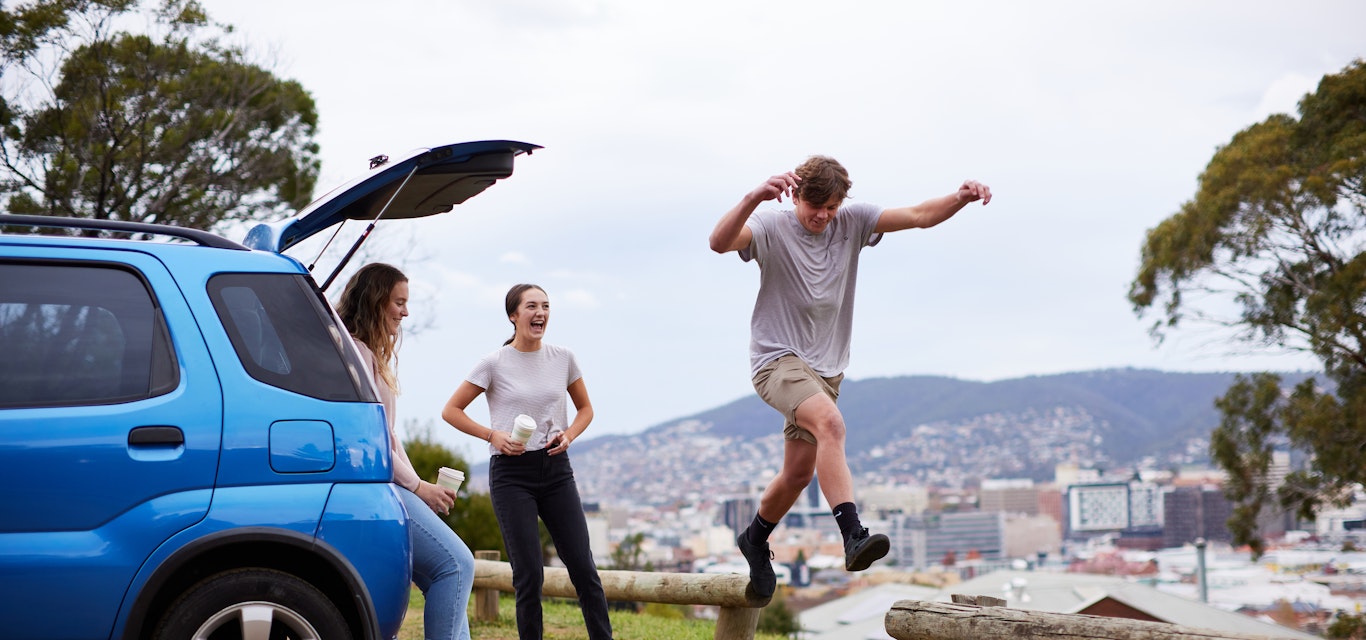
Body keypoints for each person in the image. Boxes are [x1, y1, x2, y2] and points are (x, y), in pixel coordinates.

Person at [708, 156, 991, 598]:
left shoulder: (853, 222)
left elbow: (918, 216)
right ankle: (853, 533)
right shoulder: (770, 225)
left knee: (798, 475)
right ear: (796, 196)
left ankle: (755, 539)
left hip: (826, 371)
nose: (822, 215)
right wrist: (752, 197)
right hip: (776, 361)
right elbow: (719, 243)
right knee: (831, 425)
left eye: (831, 207)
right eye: (813, 205)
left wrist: (960, 198)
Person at [441, 284, 613, 640]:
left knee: (583, 566)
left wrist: (569, 435)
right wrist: (493, 435)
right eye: (531, 306)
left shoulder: (563, 357)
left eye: (546, 306)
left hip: (556, 469)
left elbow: (586, 410)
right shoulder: (493, 362)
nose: (541, 313)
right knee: (529, 574)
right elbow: (451, 411)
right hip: (511, 475)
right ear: (513, 316)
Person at [337, 263, 476, 640]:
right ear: (375, 300)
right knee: (457, 565)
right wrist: (416, 488)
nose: (406, 311)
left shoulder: (368, 354)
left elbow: (391, 436)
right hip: (380, 484)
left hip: (392, 482)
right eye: (398, 302)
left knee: (450, 573)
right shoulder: (356, 354)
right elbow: (372, 440)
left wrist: (421, 487)